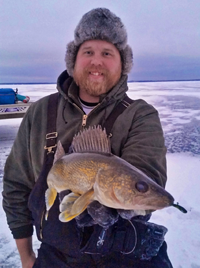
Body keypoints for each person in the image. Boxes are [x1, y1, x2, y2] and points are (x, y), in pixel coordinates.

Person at [2, 7, 173, 268]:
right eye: (88, 52)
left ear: (122, 62)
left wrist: (115, 203)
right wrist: (26, 256)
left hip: (121, 256)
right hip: (54, 256)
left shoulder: (140, 115)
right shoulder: (40, 112)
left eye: (107, 53)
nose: (97, 61)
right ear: (74, 59)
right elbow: (16, 185)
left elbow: (146, 175)